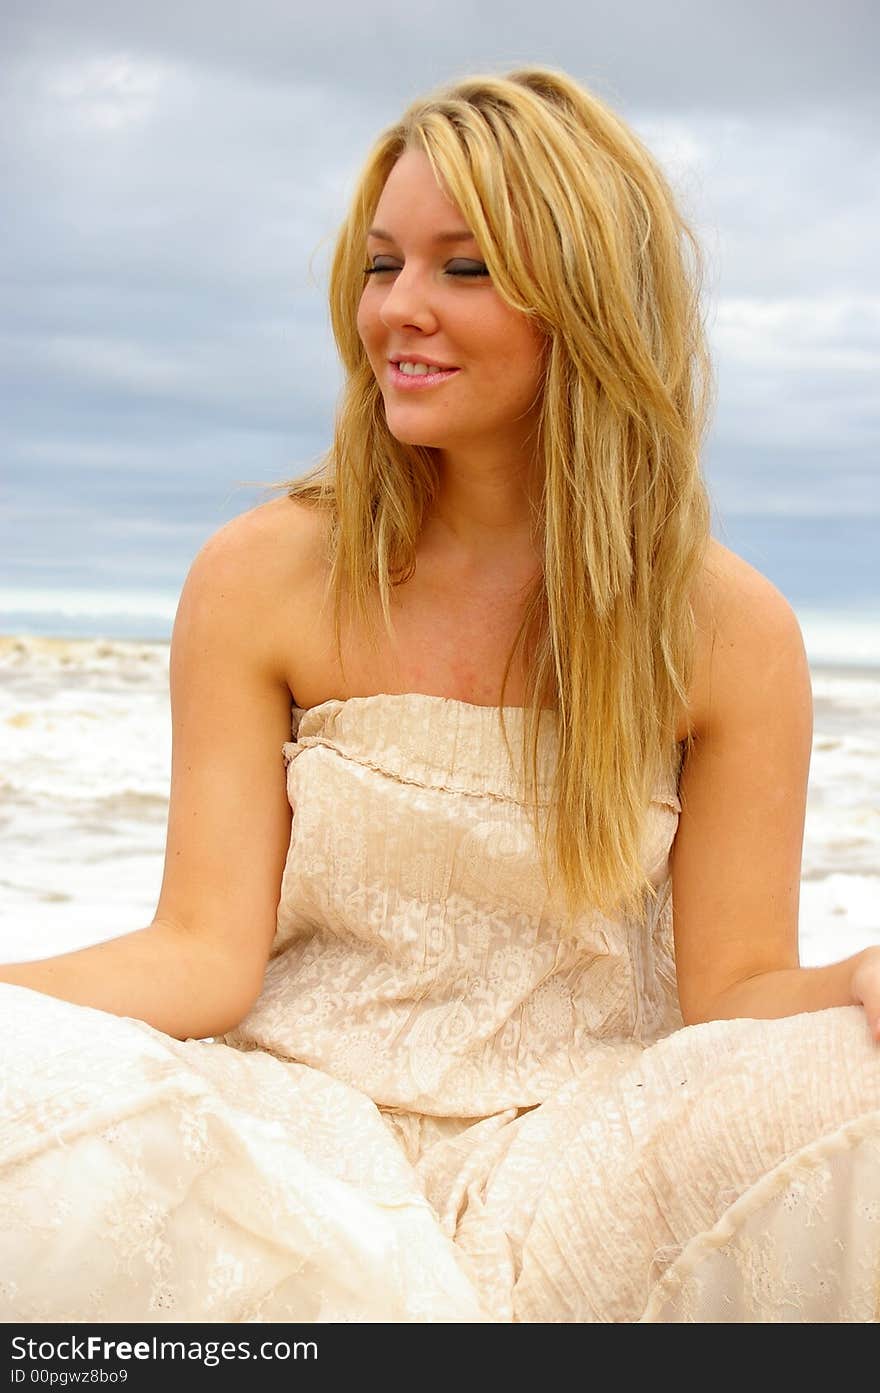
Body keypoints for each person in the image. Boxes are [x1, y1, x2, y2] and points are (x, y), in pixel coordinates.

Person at [2, 64, 879, 1325]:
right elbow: (198, 956)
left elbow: (735, 994)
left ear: (584, 300)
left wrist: (859, 972)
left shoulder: (725, 629)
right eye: (381, 265)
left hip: (601, 1153)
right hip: (299, 1142)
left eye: (462, 268)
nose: (398, 310)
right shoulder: (266, 573)